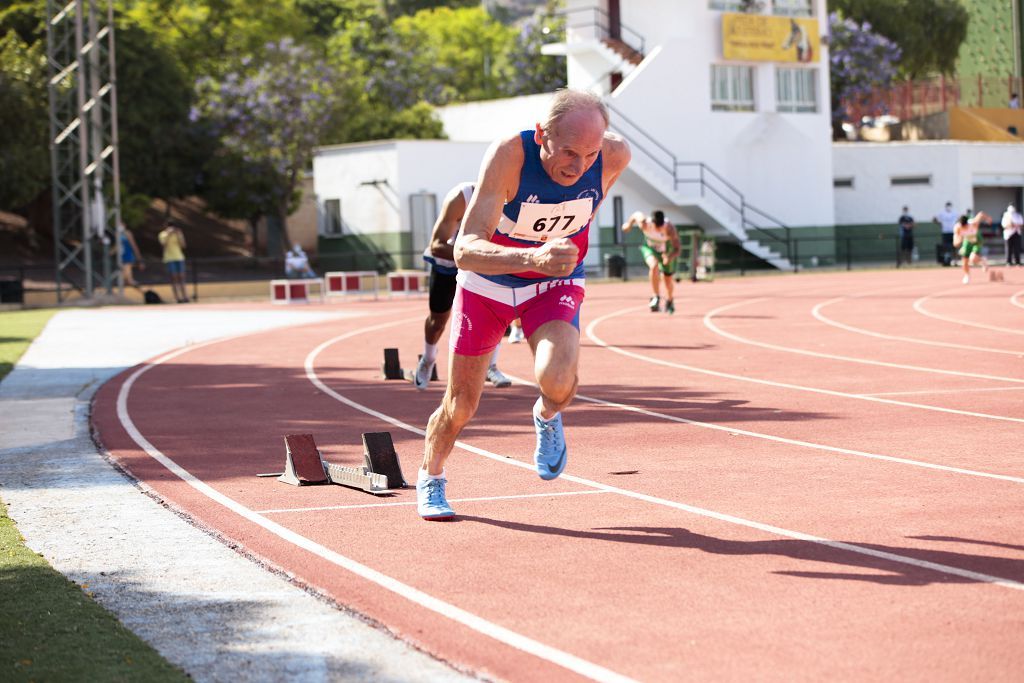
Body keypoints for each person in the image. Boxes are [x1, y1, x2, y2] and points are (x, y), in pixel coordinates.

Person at [416, 89, 630, 520]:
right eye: (568, 151)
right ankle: (431, 475)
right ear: (541, 135)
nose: (578, 165)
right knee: (461, 406)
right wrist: (531, 257)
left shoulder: (615, 156)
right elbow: (465, 249)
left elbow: (583, 194)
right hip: (487, 284)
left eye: (589, 154)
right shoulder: (510, 155)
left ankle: (548, 414)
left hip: (554, 283)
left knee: (557, 376)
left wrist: (547, 263)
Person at [414, 181, 511, 391]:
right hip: (448, 263)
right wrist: (470, 255)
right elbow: (437, 245)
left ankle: (491, 366)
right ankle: (428, 358)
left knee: (495, 314)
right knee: (438, 321)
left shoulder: (512, 199)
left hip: (482, 264)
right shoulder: (461, 197)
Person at [621, 209, 681, 313]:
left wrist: (669, 257)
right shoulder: (645, 224)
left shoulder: (669, 228)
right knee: (653, 266)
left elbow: (677, 249)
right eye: (657, 226)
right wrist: (629, 224)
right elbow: (636, 214)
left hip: (665, 252)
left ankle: (670, 300)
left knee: (667, 280)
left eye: (661, 226)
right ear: (652, 223)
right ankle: (656, 296)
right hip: (649, 249)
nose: (659, 229)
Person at [954, 210, 992, 284]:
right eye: (962, 227)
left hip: (977, 241)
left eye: (965, 227)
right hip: (967, 241)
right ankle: (967, 275)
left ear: (967, 224)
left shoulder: (973, 223)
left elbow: (981, 214)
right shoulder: (958, 228)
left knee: (973, 259)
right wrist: (958, 242)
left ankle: (982, 260)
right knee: (964, 261)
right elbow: (955, 241)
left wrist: (988, 219)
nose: (964, 228)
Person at [158, 220, 188, 303]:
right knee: (174, 277)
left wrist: (178, 235)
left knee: (181, 277)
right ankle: (177, 297)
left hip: (179, 257)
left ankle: (185, 296)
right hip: (169, 258)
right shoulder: (162, 234)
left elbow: (183, 245)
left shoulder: (178, 234)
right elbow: (163, 245)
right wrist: (168, 235)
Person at [117, 225, 145, 293]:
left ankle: (146, 292)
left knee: (128, 280)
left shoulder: (127, 233)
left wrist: (140, 260)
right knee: (125, 280)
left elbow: (134, 246)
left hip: (128, 257)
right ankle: (144, 292)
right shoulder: (117, 234)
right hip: (121, 258)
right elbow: (117, 246)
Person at [932, 201, 959, 266]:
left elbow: (959, 219)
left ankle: (955, 261)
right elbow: (934, 219)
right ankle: (946, 260)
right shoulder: (942, 213)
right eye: (947, 205)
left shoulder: (954, 213)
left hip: (953, 232)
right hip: (945, 232)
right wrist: (940, 224)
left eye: (949, 205)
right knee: (945, 247)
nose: (948, 207)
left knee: (954, 247)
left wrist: (956, 226)